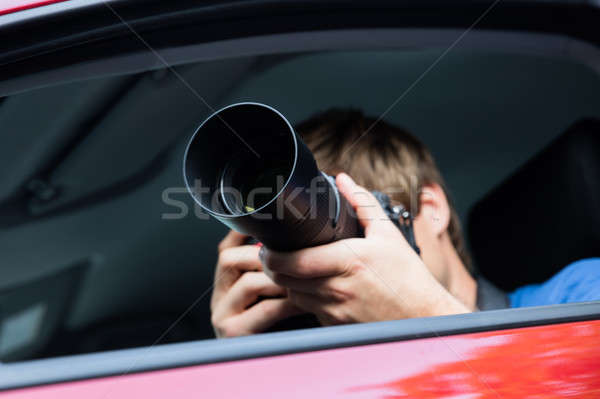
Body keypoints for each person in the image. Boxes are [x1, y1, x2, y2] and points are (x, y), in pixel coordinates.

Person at [209, 109, 600, 338]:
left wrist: (430, 322)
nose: (341, 266)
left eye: (352, 227)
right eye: (311, 254)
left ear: (430, 208)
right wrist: (243, 366)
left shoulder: (577, 297)